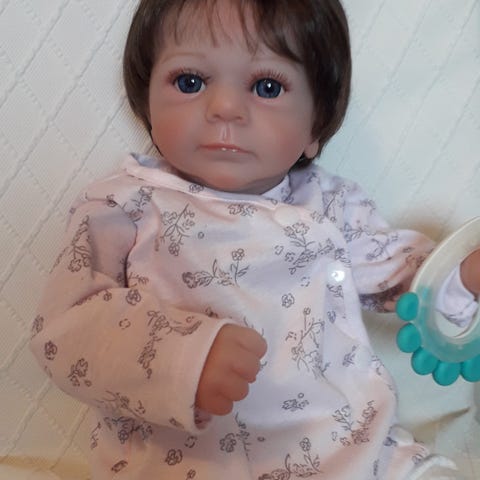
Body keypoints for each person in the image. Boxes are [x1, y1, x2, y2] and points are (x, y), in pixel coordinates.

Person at [30, 0, 480, 478]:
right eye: (190, 82)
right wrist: (182, 359)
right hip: (189, 460)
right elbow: (67, 329)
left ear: (314, 128)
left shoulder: (331, 203)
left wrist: (461, 277)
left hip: (348, 447)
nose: (224, 107)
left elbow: (401, 272)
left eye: (268, 87)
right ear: (147, 104)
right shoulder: (125, 205)